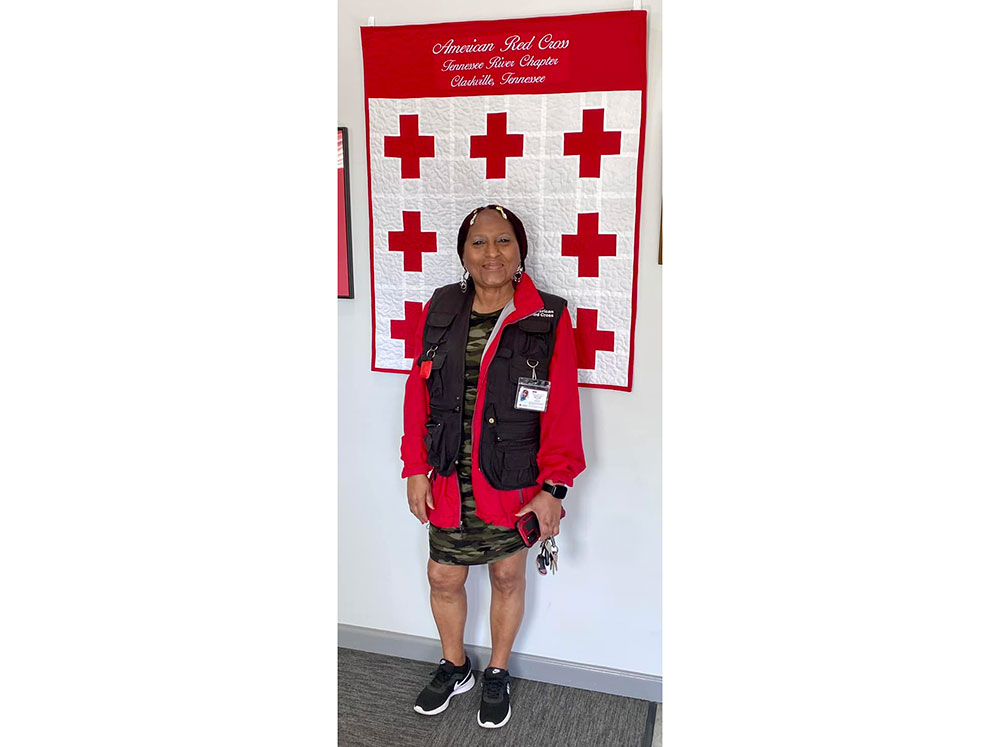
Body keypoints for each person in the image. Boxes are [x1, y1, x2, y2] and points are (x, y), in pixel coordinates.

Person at [400, 204, 586, 729]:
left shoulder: (548, 316)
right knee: (443, 576)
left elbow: (562, 408)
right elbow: (417, 393)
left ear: (520, 249)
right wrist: (414, 466)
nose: (491, 253)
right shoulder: (440, 308)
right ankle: (455, 665)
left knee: (506, 575)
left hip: (511, 477)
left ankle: (497, 672)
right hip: (447, 476)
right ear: (463, 252)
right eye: (478, 242)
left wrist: (555, 487)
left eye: (503, 240)